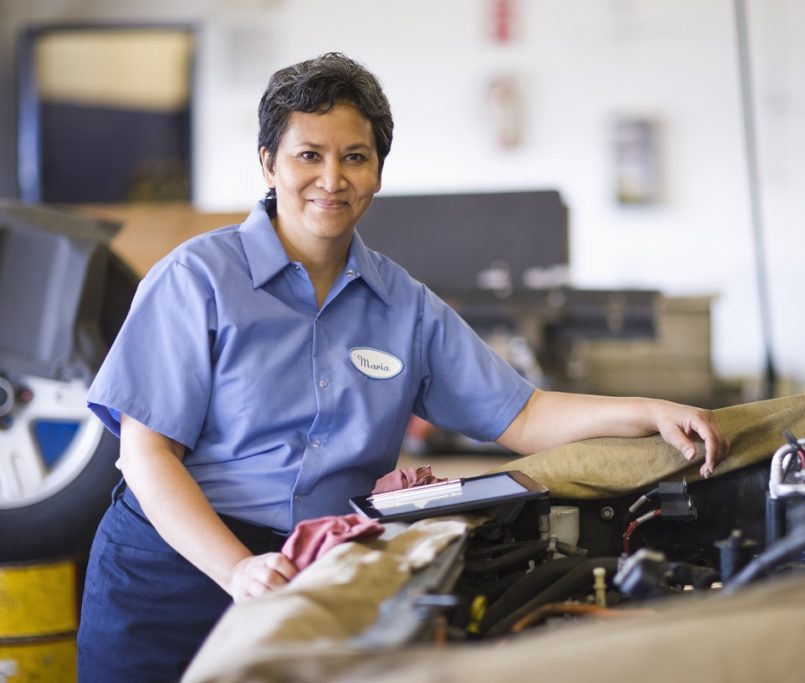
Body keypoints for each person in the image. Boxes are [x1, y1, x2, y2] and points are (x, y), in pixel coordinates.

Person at [76, 52, 728, 682]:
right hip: (171, 573)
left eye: (354, 157)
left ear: (378, 172)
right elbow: (146, 453)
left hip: (317, 574)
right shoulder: (196, 280)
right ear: (268, 163)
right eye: (310, 155)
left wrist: (649, 410)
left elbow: (522, 414)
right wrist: (238, 569)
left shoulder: (405, 306)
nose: (332, 179)